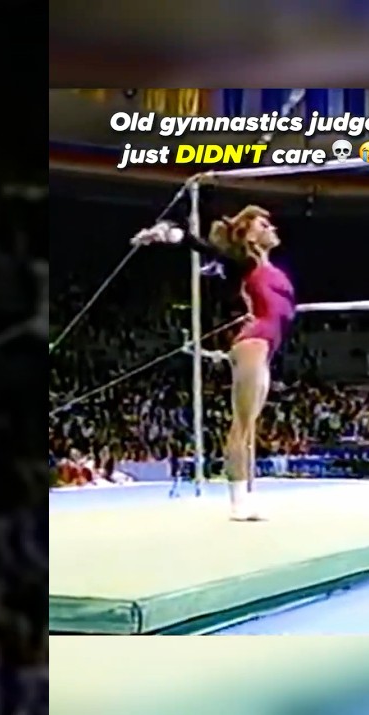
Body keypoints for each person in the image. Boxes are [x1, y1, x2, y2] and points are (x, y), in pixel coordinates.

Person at [132, 205, 296, 520]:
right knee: (241, 426)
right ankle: (237, 502)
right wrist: (167, 234)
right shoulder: (244, 264)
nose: (272, 228)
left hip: (267, 345)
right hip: (254, 342)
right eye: (264, 225)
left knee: (250, 428)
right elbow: (202, 247)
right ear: (250, 237)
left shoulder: (270, 267)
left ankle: (248, 497)